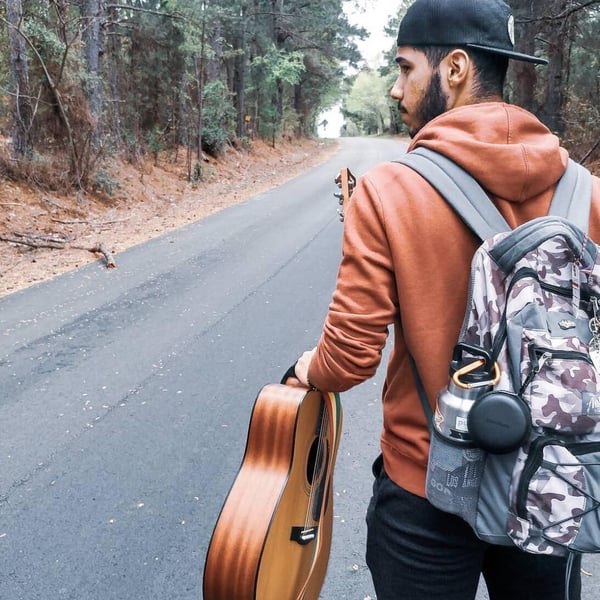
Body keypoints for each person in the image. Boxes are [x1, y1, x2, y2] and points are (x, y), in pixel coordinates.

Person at [293, 0, 600, 598]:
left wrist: (305, 368)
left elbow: (349, 360)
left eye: (405, 69)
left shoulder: (389, 189)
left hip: (426, 491)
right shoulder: (588, 194)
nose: (393, 88)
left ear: (454, 68)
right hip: (549, 486)